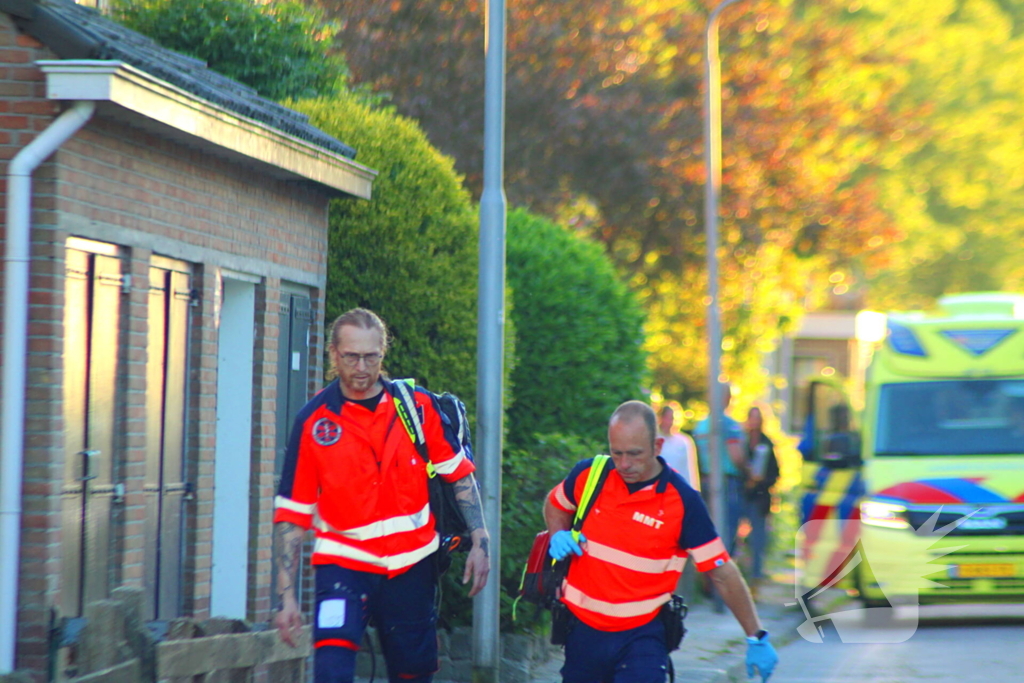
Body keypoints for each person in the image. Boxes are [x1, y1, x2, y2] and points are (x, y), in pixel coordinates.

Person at [272, 308, 490, 683]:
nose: (361, 366)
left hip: (411, 567)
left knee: (413, 675)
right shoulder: (314, 422)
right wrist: (286, 596)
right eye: (351, 356)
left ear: (382, 355)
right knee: (331, 672)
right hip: (343, 569)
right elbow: (292, 517)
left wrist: (481, 541)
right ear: (334, 355)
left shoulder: (417, 409)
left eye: (371, 357)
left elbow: (460, 477)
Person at [545, 401, 778, 683]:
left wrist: (756, 636)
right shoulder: (591, 475)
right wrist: (557, 533)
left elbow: (722, 573)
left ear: (657, 446)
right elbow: (556, 503)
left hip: (641, 637)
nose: (624, 464)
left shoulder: (682, 501)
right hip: (582, 633)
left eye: (634, 454)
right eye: (616, 453)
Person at [693, 384, 747, 554]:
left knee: (708, 527)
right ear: (726, 398)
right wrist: (749, 471)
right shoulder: (730, 425)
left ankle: (707, 573)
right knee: (728, 527)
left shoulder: (700, 426)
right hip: (728, 481)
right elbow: (736, 455)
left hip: (706, 481)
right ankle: (724, 569)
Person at [740, 405, 780, 585]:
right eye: (752, 417)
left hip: (760, 497)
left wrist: (760, 481)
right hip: (741, 495)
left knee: (758, 540)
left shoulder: (767, 443)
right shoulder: (741, 441)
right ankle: (737, 576)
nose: (754, 421)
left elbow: (776, 473)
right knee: (734, 537)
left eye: (758, 418)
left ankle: (755, 577)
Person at [657, 403, 701, 490]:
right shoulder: (653, 440)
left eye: (672, 418)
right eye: (667, 418)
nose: (670, 422)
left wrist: (693, 492)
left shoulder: (684, 441)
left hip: (678, 488)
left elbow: (690, 470)